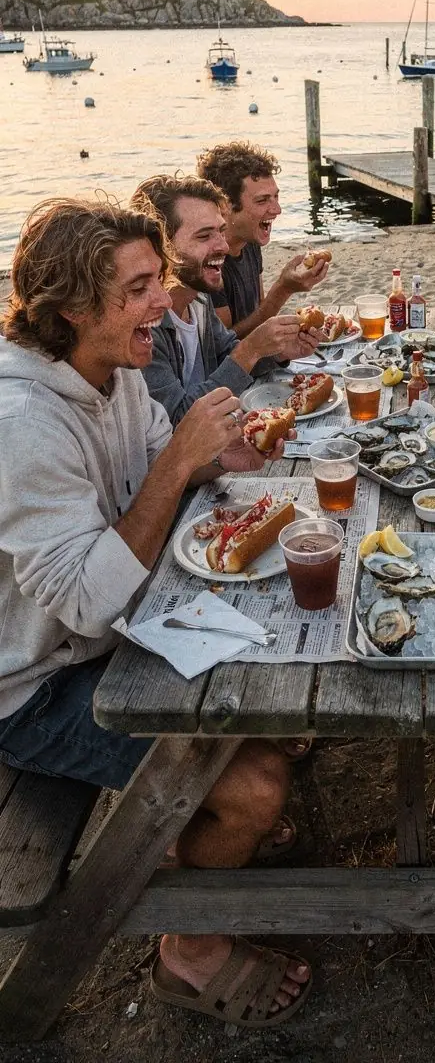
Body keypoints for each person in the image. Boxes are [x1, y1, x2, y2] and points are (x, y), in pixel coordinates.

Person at [0, 199, 312, 1027]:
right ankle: (187, 950)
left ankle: (195, 844)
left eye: (159, 282)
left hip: (107, 635)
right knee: (254, 783)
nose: (162, 304)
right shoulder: (22, 422)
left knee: (282, 700)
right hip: (33, 689)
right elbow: (92, 599)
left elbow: (152, 480)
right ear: (69, 307)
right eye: (138, 289)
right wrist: (179, 464)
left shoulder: (117, 375)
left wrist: (217, 463)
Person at [131, 175, 321, 426]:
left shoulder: (197, 299)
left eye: (221, 231)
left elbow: (225, 355)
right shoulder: (143, 327)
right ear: (160, 247)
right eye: (204, 236)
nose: (222, 246)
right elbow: (176, 420)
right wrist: (250, 350)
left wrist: (276, 352)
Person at [196, 141, 329, 335]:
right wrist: (283, 290)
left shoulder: (250, 243)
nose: (277, 210)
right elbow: (227, 347)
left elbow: (258, 315)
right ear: (225, 206)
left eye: (276, 197)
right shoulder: (210, 263)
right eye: (262, 200)